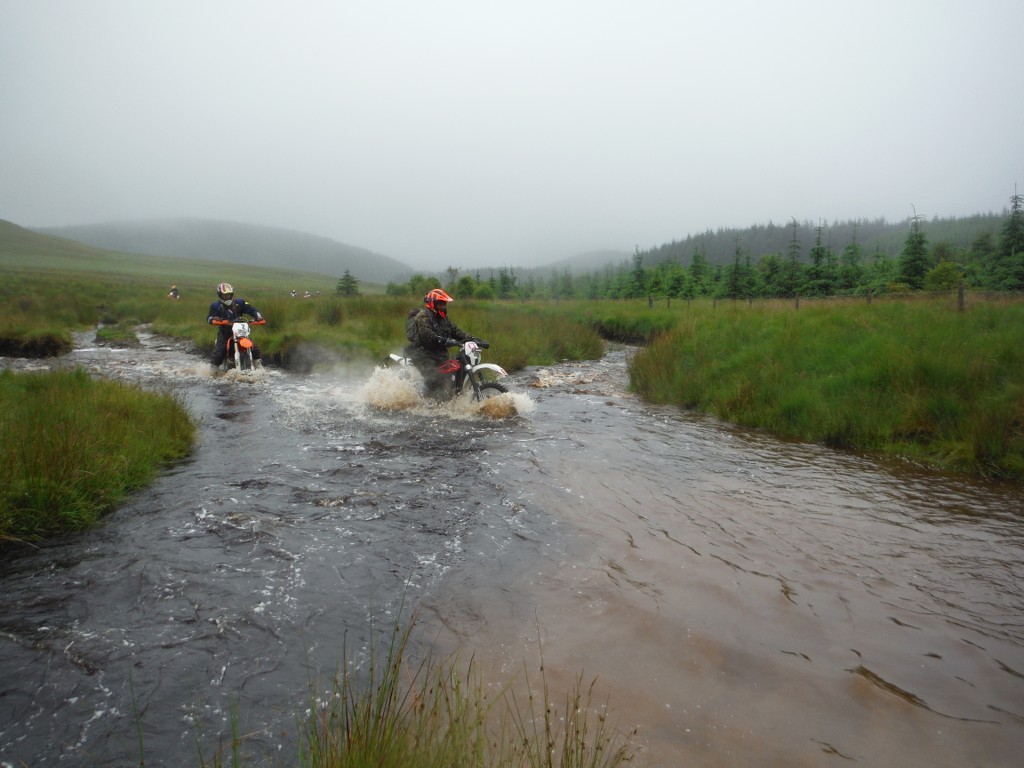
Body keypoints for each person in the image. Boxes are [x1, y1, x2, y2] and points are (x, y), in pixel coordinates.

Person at [404, 288, 487, 397]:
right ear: (433, 304)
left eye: (444, 304)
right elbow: (428, 335)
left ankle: (451, 396)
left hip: (439, 354)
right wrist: (445, 340)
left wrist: (474, 339)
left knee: (455, 371)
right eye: (440, 304)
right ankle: (425, 402)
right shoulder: (423, 317)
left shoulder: (443, 318)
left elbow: (456, 331)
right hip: (423, 355)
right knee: (434, 378)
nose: (443, 307)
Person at [207, 282, 264, 368]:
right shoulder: (216, 305)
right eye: (225, 295)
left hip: (240, 331)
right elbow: (209, 317)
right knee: (219, 353)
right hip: (225, 332)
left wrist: (258, 316)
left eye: (229, 295)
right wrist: (214, 320)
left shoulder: (240, 302)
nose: (227, 297)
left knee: (254, 349)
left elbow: (252, 310)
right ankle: (212, 371)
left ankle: (259, 369)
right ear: (220, 295)